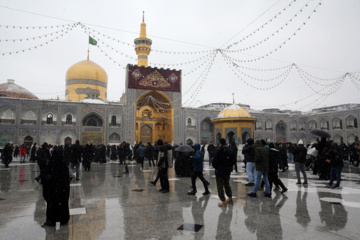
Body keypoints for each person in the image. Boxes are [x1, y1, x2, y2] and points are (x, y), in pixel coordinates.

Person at [41, 146, 70, 227]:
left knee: (52, 204)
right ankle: (64, 219)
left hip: (53, 190)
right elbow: (67, 178)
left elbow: (46, 177)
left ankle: (51, 220)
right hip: (62, 190)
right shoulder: (63, 164)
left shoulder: (51, 164)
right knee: (63, 203)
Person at [212, 138, 235, 207]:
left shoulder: (218, 150)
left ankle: (223, 201)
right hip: (227, 170)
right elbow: (233, 160)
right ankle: (230, 198)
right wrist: (229, 166)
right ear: (225, 143)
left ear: (219, 143)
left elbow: (214, 161)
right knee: (227, 183)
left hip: (219, 171)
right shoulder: (229, 150)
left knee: (220, 185)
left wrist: (217, 167)